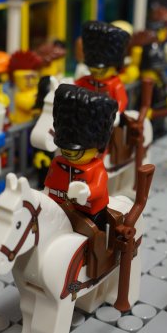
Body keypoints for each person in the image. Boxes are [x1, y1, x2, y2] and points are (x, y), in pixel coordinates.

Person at [44, 84, 118, 230]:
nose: (69, 153)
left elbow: (99, 187)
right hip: (59, 207)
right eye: (65, 147)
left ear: (96, 146)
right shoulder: (57, 163)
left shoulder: (97, 168)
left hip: (88, 212)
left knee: (95, 234)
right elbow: (49, 185)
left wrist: (87, 191)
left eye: (78, 150)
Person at [75, 21, 130, 114]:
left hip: (106, 116)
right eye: (92, 67)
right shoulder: (84, 80)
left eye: (103, 69)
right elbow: (74, 86)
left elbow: (121, 101)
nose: (96, 71)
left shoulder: (115, 84)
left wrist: (116, 114)